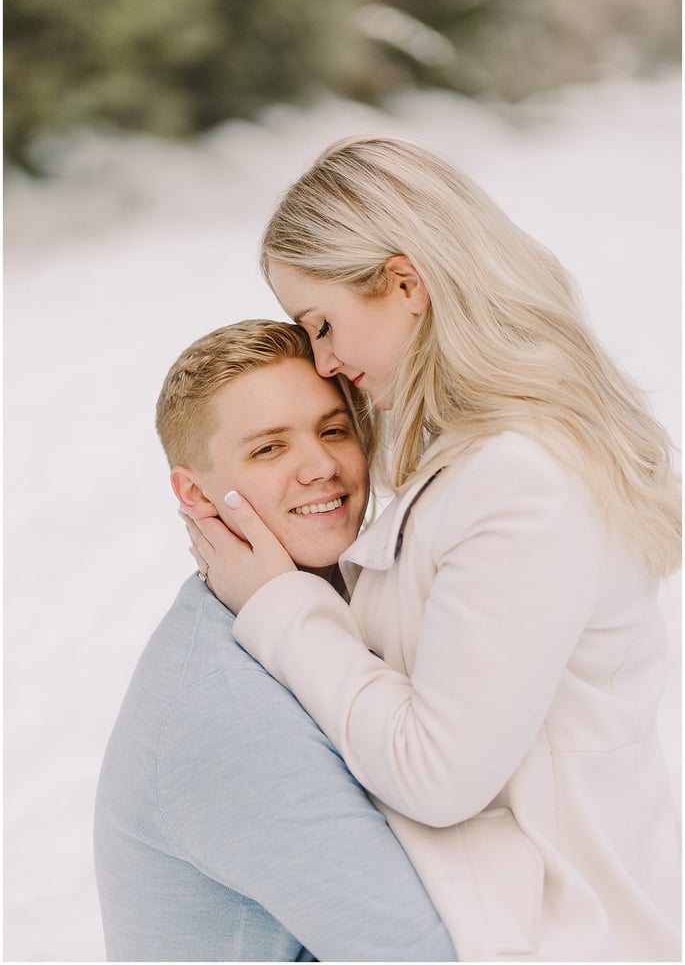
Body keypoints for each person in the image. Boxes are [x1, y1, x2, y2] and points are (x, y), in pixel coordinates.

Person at [185, 136, 682, 962]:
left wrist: (283, 607)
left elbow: (436, 775)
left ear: (405, 284)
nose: (325, 362)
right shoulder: (484, 459)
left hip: (566, 935)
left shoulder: (525, 481)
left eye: (323, 324)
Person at [94, 319, 456, 963]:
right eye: (269, 449)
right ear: (194, 492)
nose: (321, 466)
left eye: (333, 430)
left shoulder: (339, 612)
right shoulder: (224, 708)